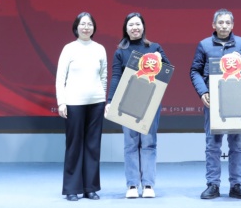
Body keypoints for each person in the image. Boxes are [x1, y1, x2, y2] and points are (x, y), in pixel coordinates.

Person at [190, 8, 241, 200]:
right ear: (213, 25)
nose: (224, 26)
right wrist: (203, 92)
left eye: (227, 23)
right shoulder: (204, 45)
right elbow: (195, 71)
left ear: (232, 25)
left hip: (238, 100)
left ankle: (237, 185)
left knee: (237, 145)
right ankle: (212, 184)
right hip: (214, 102)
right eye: (220, 22)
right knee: (212, 145)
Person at [106, 12, 171, 199]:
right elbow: (116, 77)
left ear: (143, 27)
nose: (135, 28)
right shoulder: (120, 52)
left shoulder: (155, 48)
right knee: (130, 144)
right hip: (128, 101)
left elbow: (167, 71)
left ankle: (148, 184)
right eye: (131, 25)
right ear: (125, 29)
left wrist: (159, 60)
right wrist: (110, 101)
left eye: (138, 24)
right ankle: (132, 185)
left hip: (150, 102)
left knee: (149, 143)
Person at [55, 12, 107, 201]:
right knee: (74, 145)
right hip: (74, 103)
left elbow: (103, 76)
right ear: (76, 27)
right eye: (83, 24)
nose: (86, 27)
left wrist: (103, 98)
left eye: (89, 24)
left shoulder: (100, 49)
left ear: (94, 28)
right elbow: (60, 78)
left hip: (96, 102)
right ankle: (71, 188)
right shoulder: (69, 49)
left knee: (93, 146)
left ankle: (90, 188)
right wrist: (61, 102)